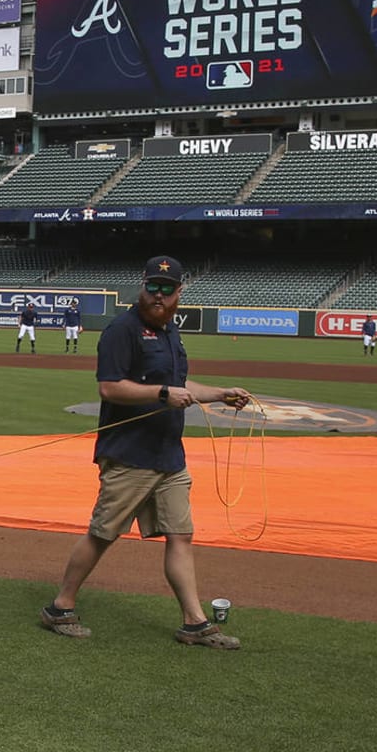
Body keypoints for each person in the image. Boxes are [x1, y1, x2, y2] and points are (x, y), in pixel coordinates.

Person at [40, 255, 252, 650]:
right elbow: (109, 388)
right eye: (152, 286)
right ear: (142, 287)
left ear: (179, 293)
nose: (158, 295)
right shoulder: (122, 330)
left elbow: (180, 384)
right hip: (129, 454)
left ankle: (194, 622)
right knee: (103, 533)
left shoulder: (171, 331)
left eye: (166, 289)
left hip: (168, 454)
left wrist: (220, 394)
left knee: (181, 535)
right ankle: (60, 606)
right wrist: (161, 394)